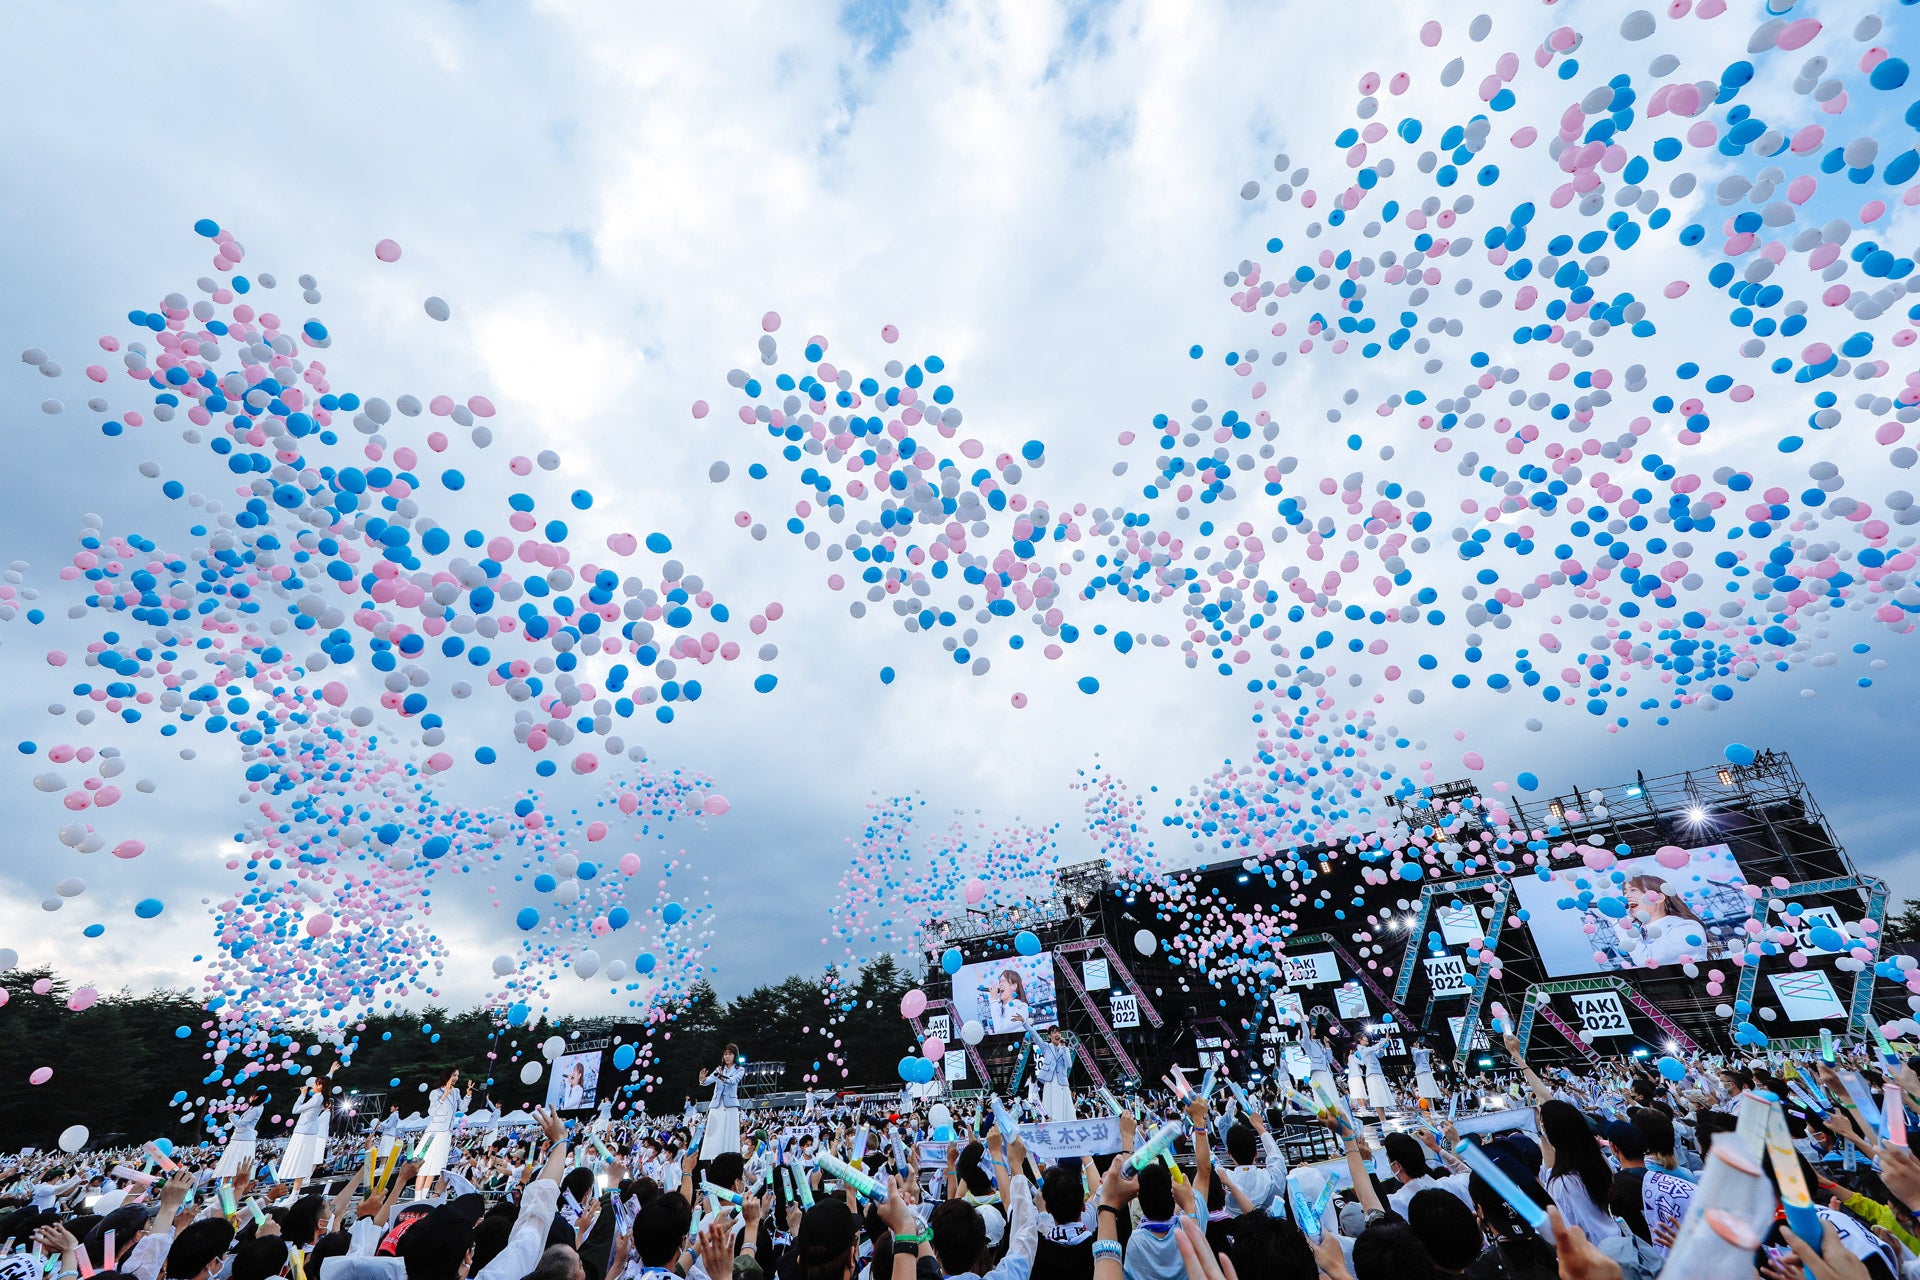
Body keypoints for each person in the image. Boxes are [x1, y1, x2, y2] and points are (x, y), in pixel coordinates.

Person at [1619, 876, 1715, 967]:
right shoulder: (1638, 935)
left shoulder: (1686, 927)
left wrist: (1619, 920)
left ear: (1659, 898)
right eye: (1624, 892)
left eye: (1633, 890)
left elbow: (1647, 960)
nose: (1626, 896)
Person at [415, 1068, 472, 1200]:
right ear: (447, 1076)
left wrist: (468, 1095)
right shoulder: (435, 1093)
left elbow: (462, 1108)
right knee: (424, 1164)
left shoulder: (456, 1092)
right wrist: (444, 1095)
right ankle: (417, 1198)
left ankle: (425, 1196)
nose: (456, 1078)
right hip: (434, 1130)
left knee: (435, 1166)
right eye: (454, 1075)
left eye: (457, 1075)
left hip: (446, 1132)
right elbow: (432, 1111)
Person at [278, 1068, 336, 1197]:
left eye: (315, 1083)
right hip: (306, 1131)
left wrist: (302, 1095)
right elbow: (326, 1082)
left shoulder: (316, 1098)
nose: (313, 1085)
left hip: (303, 1132)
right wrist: (330, 1072)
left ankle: (294, 1193)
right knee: (301, 1161)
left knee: (299, 1161)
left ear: (320, 1085)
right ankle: (295, 1192)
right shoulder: (321, 1097)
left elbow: (295, 1109)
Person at [699, 1044, 746, 1160]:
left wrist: (722, 1077)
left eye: (730, 1054)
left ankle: (729, 1157)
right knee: (714, 1132)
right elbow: (710, 1079)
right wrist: (703, 1080)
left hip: (730, 1105)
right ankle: (712, 1157)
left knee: (729, 1133)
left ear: (735, 1055)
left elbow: (733, 1080)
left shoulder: (740, 1069)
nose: (727, 1056)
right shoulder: (719, 1068)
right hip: (716, 1104)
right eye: (725, 1054)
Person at [217, 1092, 267, 1181]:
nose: (250, 1097)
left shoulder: (255, 1109)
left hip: (243, 1141)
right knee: (229, 1167)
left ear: (256, 1097)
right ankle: (226, 1191)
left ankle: (233, 1191)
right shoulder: (254, 1108)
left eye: (252, 1096)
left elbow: (240, 1124)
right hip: (240, 1139)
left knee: (235, 1167)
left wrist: (231, 1114)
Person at [1034, 1029, 1075, 1124]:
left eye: (1059, 1033)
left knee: (1065, 1106)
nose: (1057, 1034)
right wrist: (1024, 1023)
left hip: (1062, 1082)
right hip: (1050, 1081)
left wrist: (1064, 1047)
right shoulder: (1046, 1047)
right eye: (1054, 1032)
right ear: (1049, 1036)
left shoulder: (1065, 1049)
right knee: (1050, 1104)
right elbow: (1035, 1036)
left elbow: (1069, 1065)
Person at [1356, 1033, 1392, 1115]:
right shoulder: (1361, 1049)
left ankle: (1384, 1120)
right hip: (1372, 1075)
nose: (1367, 1039)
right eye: (1364, 1037)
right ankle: (1383, 1122)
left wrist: (1383, 1047)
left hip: (1378, 1073)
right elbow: (1374, 1048)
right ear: (1360, 1040)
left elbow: (1379, 1055)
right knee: (1377, 1099)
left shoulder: (1367, 1049)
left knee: (1381, 1098)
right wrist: (1383, 1041)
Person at [988, 970, 1033, 1036]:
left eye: (1003, 981)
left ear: (1014, 986)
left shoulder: (1021, 1007)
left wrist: (994, 1001)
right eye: (999, 982)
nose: (1000, 984)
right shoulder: (1000, 1008)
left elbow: (1000, 1030)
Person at [1410, 1036, 1442, 1103]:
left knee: (1430, 1092)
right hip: (1422, 1072)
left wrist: (1427, 1051)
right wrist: (1428, 1050)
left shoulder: (1420, 1050)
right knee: (1427, 1093)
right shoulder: (1413, 1050)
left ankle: (1433, 1111)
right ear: (1414, 1043)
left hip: (1427, 1070)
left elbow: (1426, 1060)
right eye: (1416, 1042)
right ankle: (1432, 1111)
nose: (1417, 1043)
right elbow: (1417, 1053)